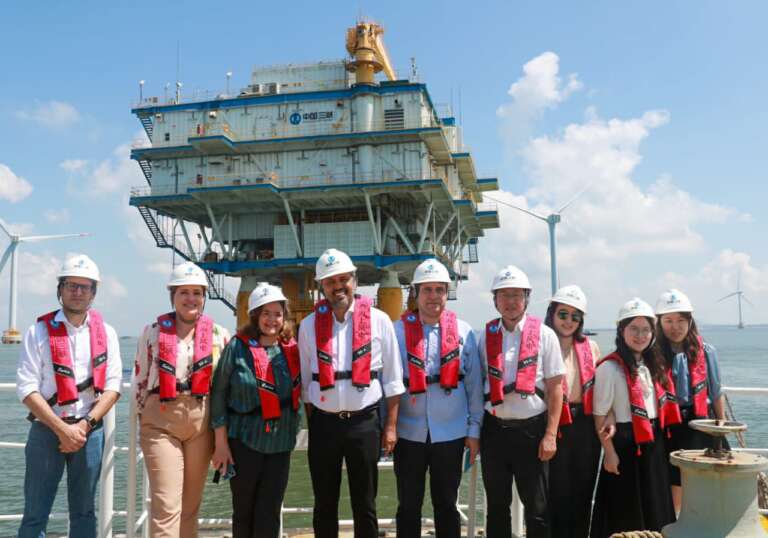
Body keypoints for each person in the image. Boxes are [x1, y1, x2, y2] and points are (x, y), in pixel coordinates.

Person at [298, 248, 405, 538]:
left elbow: (393, 380)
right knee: (324, 502)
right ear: (322, 287)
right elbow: (307, 385)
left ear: (355, 281)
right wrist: (318, 421)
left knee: (365, 502)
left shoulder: (380, 320)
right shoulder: (308, 326)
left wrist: (391, 427)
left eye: (343, 279)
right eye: (330, 281)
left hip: (364, 423)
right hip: (324, 424)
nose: (338, 286)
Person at [16, 254, 123, 538]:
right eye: (71, 285)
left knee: (85, 511)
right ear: (60, 289)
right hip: (46, 430)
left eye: (84, 287)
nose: (77, 292)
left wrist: (83, 426)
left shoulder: (107, 334)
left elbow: (113, 386)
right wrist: (62, 429)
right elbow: (27, 387)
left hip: (89, 431)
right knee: (35, 514)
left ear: (93, 292)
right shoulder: (37, 331)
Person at [131, 262, 230, 537]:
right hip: (161, 421)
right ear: (172, 297)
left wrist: (222, 437)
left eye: (197, 293)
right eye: (183, 292)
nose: (191, 299)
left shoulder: (220, 335)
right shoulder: (152, 332)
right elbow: (140, 379)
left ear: (204, 297)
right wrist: (147, 418)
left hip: (201, 421)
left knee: (190, 507)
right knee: (166, 506)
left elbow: (224, 387)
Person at [393, 259, 484, 538]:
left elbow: (474, 387)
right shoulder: (397, 332)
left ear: (447, 293)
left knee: (446, 505)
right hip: (409, 434)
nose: (434, 296)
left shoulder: (465, 332)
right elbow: (389, 386)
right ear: (416, 293)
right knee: (408, 505)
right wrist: (388, 427)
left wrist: (474, 430)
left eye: (439, 290)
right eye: (427, 290)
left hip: (451, 434)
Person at [477, 265, 564, 538]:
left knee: (537, 507)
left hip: (532, 431)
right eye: (504, 295)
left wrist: (550, 434)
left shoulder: (545, 335)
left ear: (526, 298)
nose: (511, 302)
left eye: (517, 295)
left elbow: (555, 388)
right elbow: (478, 386)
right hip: (494, 431)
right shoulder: (484, 336)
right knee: (497, 506)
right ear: (495, 301)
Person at [210, 283, 301, 538]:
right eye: (266, 313)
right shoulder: (237, 348)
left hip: (280, 444)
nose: (272, 320)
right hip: (244, 442)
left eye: (278, 313)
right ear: (255, 316)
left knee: (270, 512)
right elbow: (218, 393)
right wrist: (220, 444)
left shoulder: (291, 349)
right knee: (243, 512)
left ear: (285, 316)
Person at [591, 298, 680, 538]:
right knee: (625, 509)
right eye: (634, 329)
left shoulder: (654, 365)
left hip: (654, 442)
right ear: (622, 331)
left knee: (655, 507)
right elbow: (600, 415)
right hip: (625, 445)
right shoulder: (609, 368)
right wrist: (609, 452)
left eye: (646, 329)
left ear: (653, 332)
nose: (640, 335)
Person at [655, 288, 726, 513]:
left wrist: (721, 423)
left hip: (700, 424)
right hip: (668, 424)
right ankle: (677, 523)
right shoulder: (653, 353)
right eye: (668, 320)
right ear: (660, 322)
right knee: (673, 480)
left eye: (681, 320)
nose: (675, 326)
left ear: (690, 321)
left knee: (704, 478)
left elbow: (715, 391)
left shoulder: (706, 352)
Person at [544, 285, 601, 538]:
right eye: (563, 314)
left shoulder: (592, 348)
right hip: (553, 424)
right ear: (552, 314)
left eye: (575, 316)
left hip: (585, 426)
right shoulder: (541, 344)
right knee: (554, 492)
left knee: (583, 488)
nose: (568, 321)